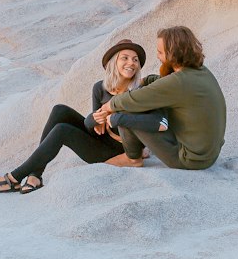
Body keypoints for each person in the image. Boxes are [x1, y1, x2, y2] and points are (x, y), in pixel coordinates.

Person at [0, 39, 148, 194]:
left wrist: (106, 116)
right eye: (124, 58)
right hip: (101, 139)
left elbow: (140, 130)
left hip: (116, 150)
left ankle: (14, 178)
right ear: (114, 63)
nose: (131, 63)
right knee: (59, 110)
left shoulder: (139, 92)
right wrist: (95, 119)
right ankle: (36, 175)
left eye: (135, 60)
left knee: (62, 131)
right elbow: (94, 127)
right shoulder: (100, 88)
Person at [93, 25, 225, 170]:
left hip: (190, 159)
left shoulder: (177, 82)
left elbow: (134, 99)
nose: (158, 56)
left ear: (173, 53)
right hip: (208, 153)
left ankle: (132, 158)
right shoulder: (200, 72)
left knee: (125, 108)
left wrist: (108, 106)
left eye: (160, 52)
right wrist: (145, 80)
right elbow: (161, 82)